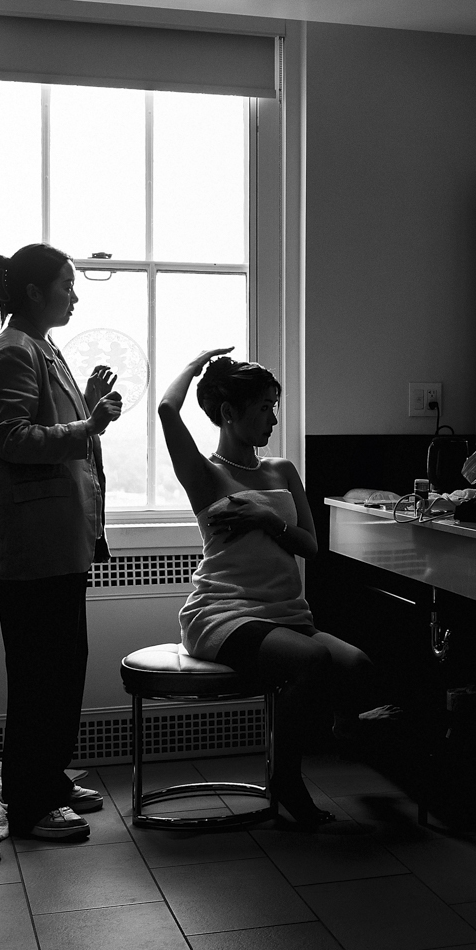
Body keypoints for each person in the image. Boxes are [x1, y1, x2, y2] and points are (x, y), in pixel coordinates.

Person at [160, 347, 374, 826]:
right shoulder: (205, 474)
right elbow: (167, 410)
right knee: (315, 661)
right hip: (222, 612)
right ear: (230, 414)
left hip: (285, 613)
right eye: (264, 408)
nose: (273, 419)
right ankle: (286, 778)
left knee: (358, 666)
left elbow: (311, 546)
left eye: (274, 406)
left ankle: (337, 731)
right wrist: (198, 365)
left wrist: (263, 517)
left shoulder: (282, 471)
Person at [0, 243, 123, 842]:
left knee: (64, 668)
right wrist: (88, 425)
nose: (75, 293)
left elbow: (56, 432)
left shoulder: (44, 347)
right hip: (33, 546)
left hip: (58, 541)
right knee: (41, 673)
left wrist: (87, 410)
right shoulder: (14, 351)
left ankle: (48, 777)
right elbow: (10, 437)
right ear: (35, 292)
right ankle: (31, 799)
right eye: (66, 283)